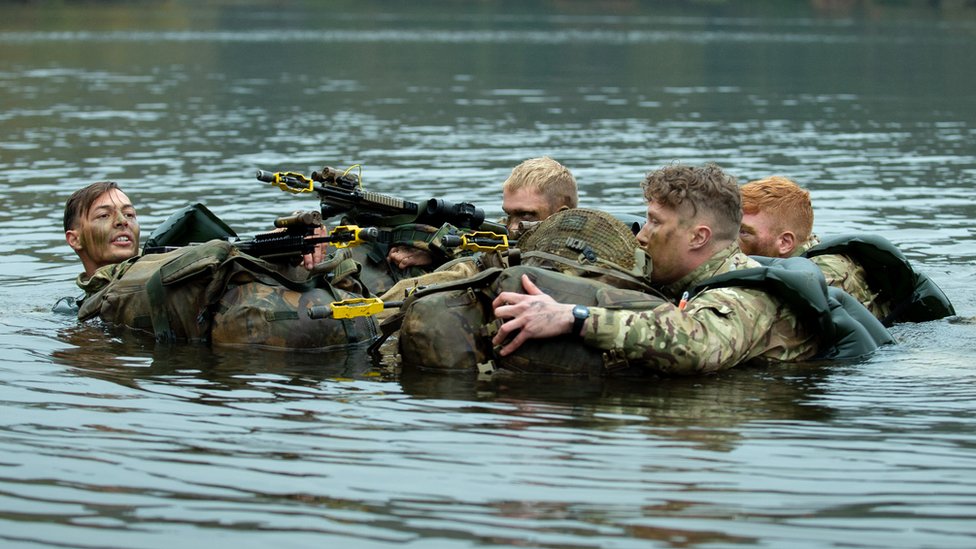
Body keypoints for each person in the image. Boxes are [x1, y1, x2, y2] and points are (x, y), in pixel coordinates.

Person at [490, 163, 891, 376]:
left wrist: (572, 317)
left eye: (654, 223)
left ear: (698, 237)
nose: (642, 236)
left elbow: (697, 343)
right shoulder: (686, 276)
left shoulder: (746, 297)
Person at [63, 181, 374, 349]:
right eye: (104, 216)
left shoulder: (173, 258)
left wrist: (288, 241)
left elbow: (231, 254)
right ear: (74, 239)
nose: (121, 222)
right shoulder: (75, 310)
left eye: (129, 214)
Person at [738, 176, 954, 325]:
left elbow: (769, 315)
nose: (730, 239)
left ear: (785, 242)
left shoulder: (828, 272)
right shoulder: (796, 257)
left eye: (743, 232)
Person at [385, 156, 578, 270]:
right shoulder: (507, 230)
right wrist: (436, 253)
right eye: (510, 214)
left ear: (562, 214)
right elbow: (479, 243)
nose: (512, 226)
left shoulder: (582, 256)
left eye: (526, 215)